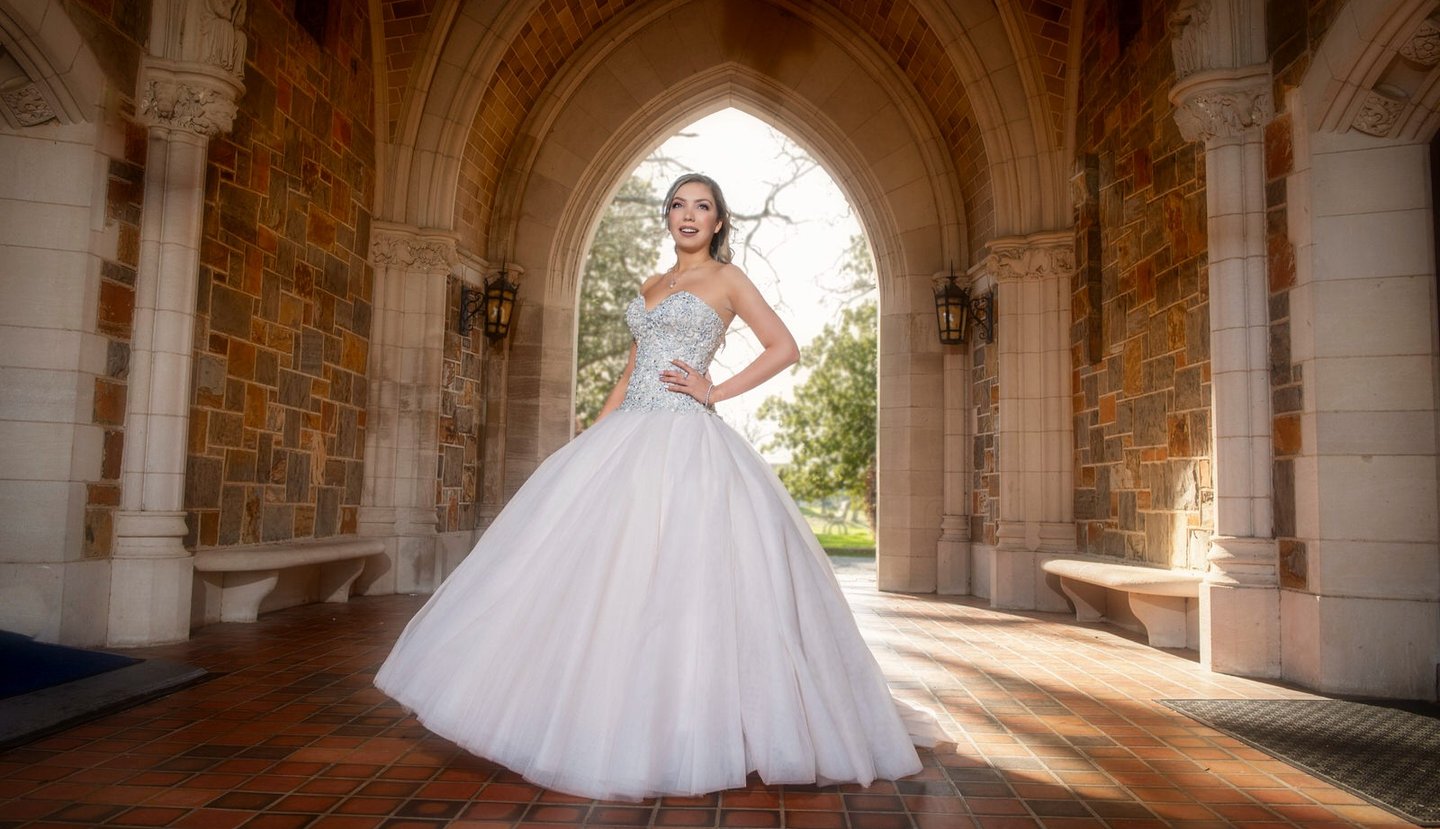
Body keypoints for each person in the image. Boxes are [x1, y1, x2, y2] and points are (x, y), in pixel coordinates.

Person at [374, 172, 947, 802]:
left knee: (689, 582)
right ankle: (601, 715)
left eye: (702, 206)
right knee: (611, 580)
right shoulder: (650, 286)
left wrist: (714, 389)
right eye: (678, 205)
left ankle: (695, 727)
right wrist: (588, 444)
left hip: (688, 442)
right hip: (627, 438)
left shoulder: (728, 280)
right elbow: (629, 372)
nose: (689, 215)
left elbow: (785, 347)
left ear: (719, 222)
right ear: (667, 217)